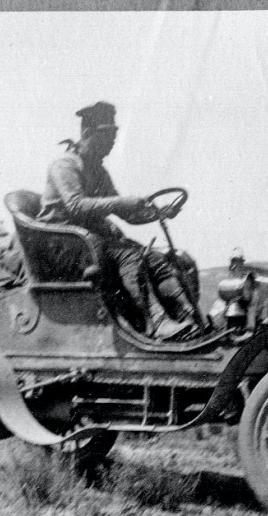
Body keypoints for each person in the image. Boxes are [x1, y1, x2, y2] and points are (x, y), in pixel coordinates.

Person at [38, 101, 203, 339]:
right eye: (107, 135)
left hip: (87, 243)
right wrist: (121, 202)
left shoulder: (99, 171)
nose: (113, 142)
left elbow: (127, 214)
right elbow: (76, 206)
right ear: (87, 133)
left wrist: (159, 213)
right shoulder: (64, 165)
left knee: (153, 257)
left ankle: (188, 318)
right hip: (61, 245)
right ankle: (155, 323)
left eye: (114, 136)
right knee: (129, 256)